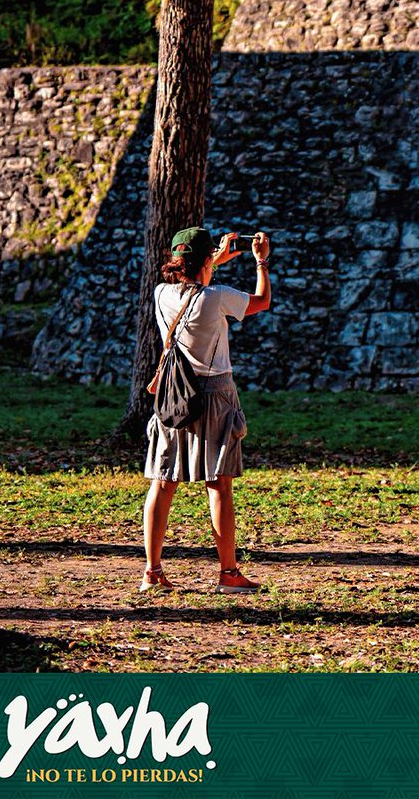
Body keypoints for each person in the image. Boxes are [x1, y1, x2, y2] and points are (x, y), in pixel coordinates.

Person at [141, 225, 271, 594]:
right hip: (215, 393)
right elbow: (261, 301)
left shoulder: (161, 292)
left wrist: (213, 259)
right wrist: (260, 262)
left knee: (163, 482)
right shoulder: (217, 297)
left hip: (173, 392)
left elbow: (193, 281)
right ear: (204, 261)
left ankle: (152, 572)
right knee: (218, 484)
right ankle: (228, 574)